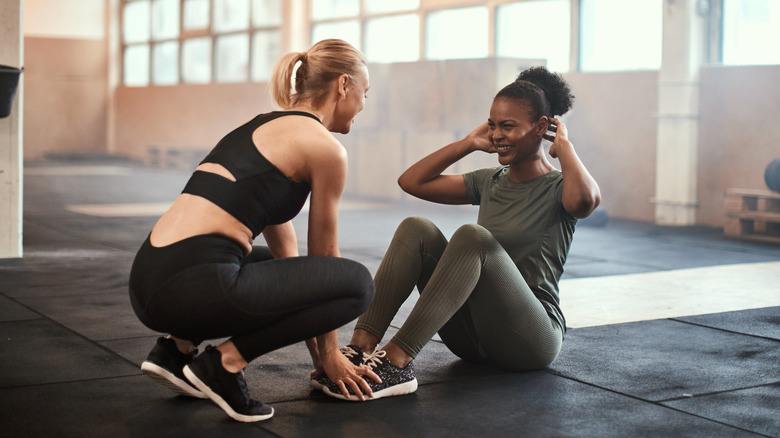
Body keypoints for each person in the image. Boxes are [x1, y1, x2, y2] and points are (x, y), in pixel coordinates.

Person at [128, 39, 380, 422]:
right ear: (343, 85)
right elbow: (325, 257)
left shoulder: (261, 127)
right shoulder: (325, 148)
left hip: (149, 279)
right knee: (357, 284)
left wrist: (320, 363)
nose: (363, 104)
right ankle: (225, 364)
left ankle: (176, 350)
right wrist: (331, 357)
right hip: (190, 288)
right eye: (364, 92)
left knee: (279, 265)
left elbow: (292, 265)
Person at [313, 66, 601, 401]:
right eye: (492, 125)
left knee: (473, 237)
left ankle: (396, 361)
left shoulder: (559, 187)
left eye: (507, 126)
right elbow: (411, 182)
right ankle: (359, 350)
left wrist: (564, 146)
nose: (496, 135)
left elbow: (584, 200)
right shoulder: (491, 181)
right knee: (416, 228)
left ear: (542, 127)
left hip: (530, 341)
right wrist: (467, 143)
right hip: (472, 339)